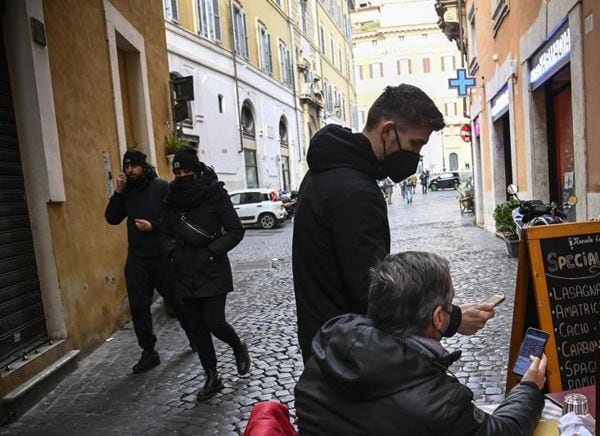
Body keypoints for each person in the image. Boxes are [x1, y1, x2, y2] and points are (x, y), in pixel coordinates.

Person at [292, 84, 496, 362]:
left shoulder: (324, 173)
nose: (416, 155)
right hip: (348, 355)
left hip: (325, 342)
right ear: (387, 131)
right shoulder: (356, 192)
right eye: (415, 143)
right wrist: (450, 320)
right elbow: (373, 293)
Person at [295, 251, 547, 435]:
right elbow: (504, 432)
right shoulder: (441, 404)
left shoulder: (321, 360)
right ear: (438, 318)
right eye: (450, 306)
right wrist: (528, 388)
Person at [159, 147, 250, 401]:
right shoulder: (171, 198)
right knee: (197, 328)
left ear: (197, 170)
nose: (182, 175)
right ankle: (212, 376)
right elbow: (164, 234)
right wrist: (173, 253)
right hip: (183, 271)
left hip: (212, 269)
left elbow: (235, 230)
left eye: (187, 170)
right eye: (177, 171)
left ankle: (237, 346)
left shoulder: (215, 194)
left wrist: (212, 251)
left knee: (214, 322)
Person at [104, 150, 192, 374]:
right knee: (139, 306)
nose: (130, 170)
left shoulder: (162, 187)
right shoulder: (126, 192)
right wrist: (119, 192)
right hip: (137, 258)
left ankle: (194, 336)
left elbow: (175, 218)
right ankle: (148, 352)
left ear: (144, 166)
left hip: (162, 256)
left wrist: (153, 226)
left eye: (134, 166)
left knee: (177, 301)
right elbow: (112, 218)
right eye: (127, 166)